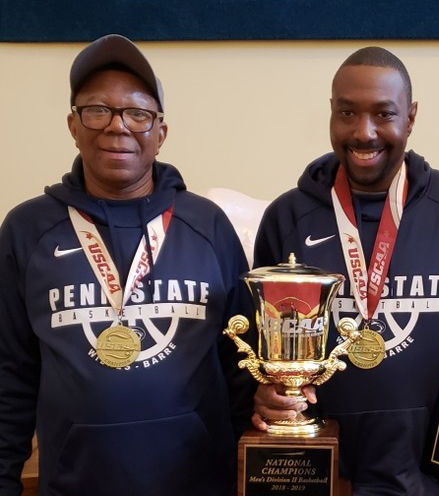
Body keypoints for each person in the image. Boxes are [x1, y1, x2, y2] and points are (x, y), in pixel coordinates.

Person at [252, 47, 439, 496]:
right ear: (331, 114)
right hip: (318, 475)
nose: (364, 132)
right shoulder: (287, 217)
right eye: (347, 113)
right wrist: (265, 398)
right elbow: (261, 354)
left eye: (384, 114)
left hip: (433, 481)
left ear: (411, 117)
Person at [0, 34, 252, 495]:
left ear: (161, 132)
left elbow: (242, 363)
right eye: (98, 110)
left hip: (198, 483)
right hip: (75, 484)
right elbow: (9, 375)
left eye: (137, 113)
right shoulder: (26, 230)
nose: (118, 126)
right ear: (73, 125)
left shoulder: (207, 225)